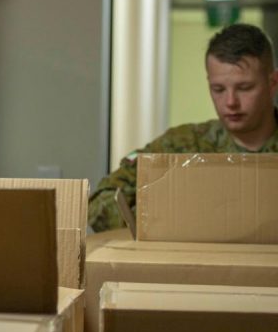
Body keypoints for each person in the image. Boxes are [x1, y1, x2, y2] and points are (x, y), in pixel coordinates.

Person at [90, 23, 278, 232]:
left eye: (244, 88)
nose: (231, 102)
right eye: (218, 89)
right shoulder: (184, 144)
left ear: (273, 83)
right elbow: (101, 201)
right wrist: (163, 223)